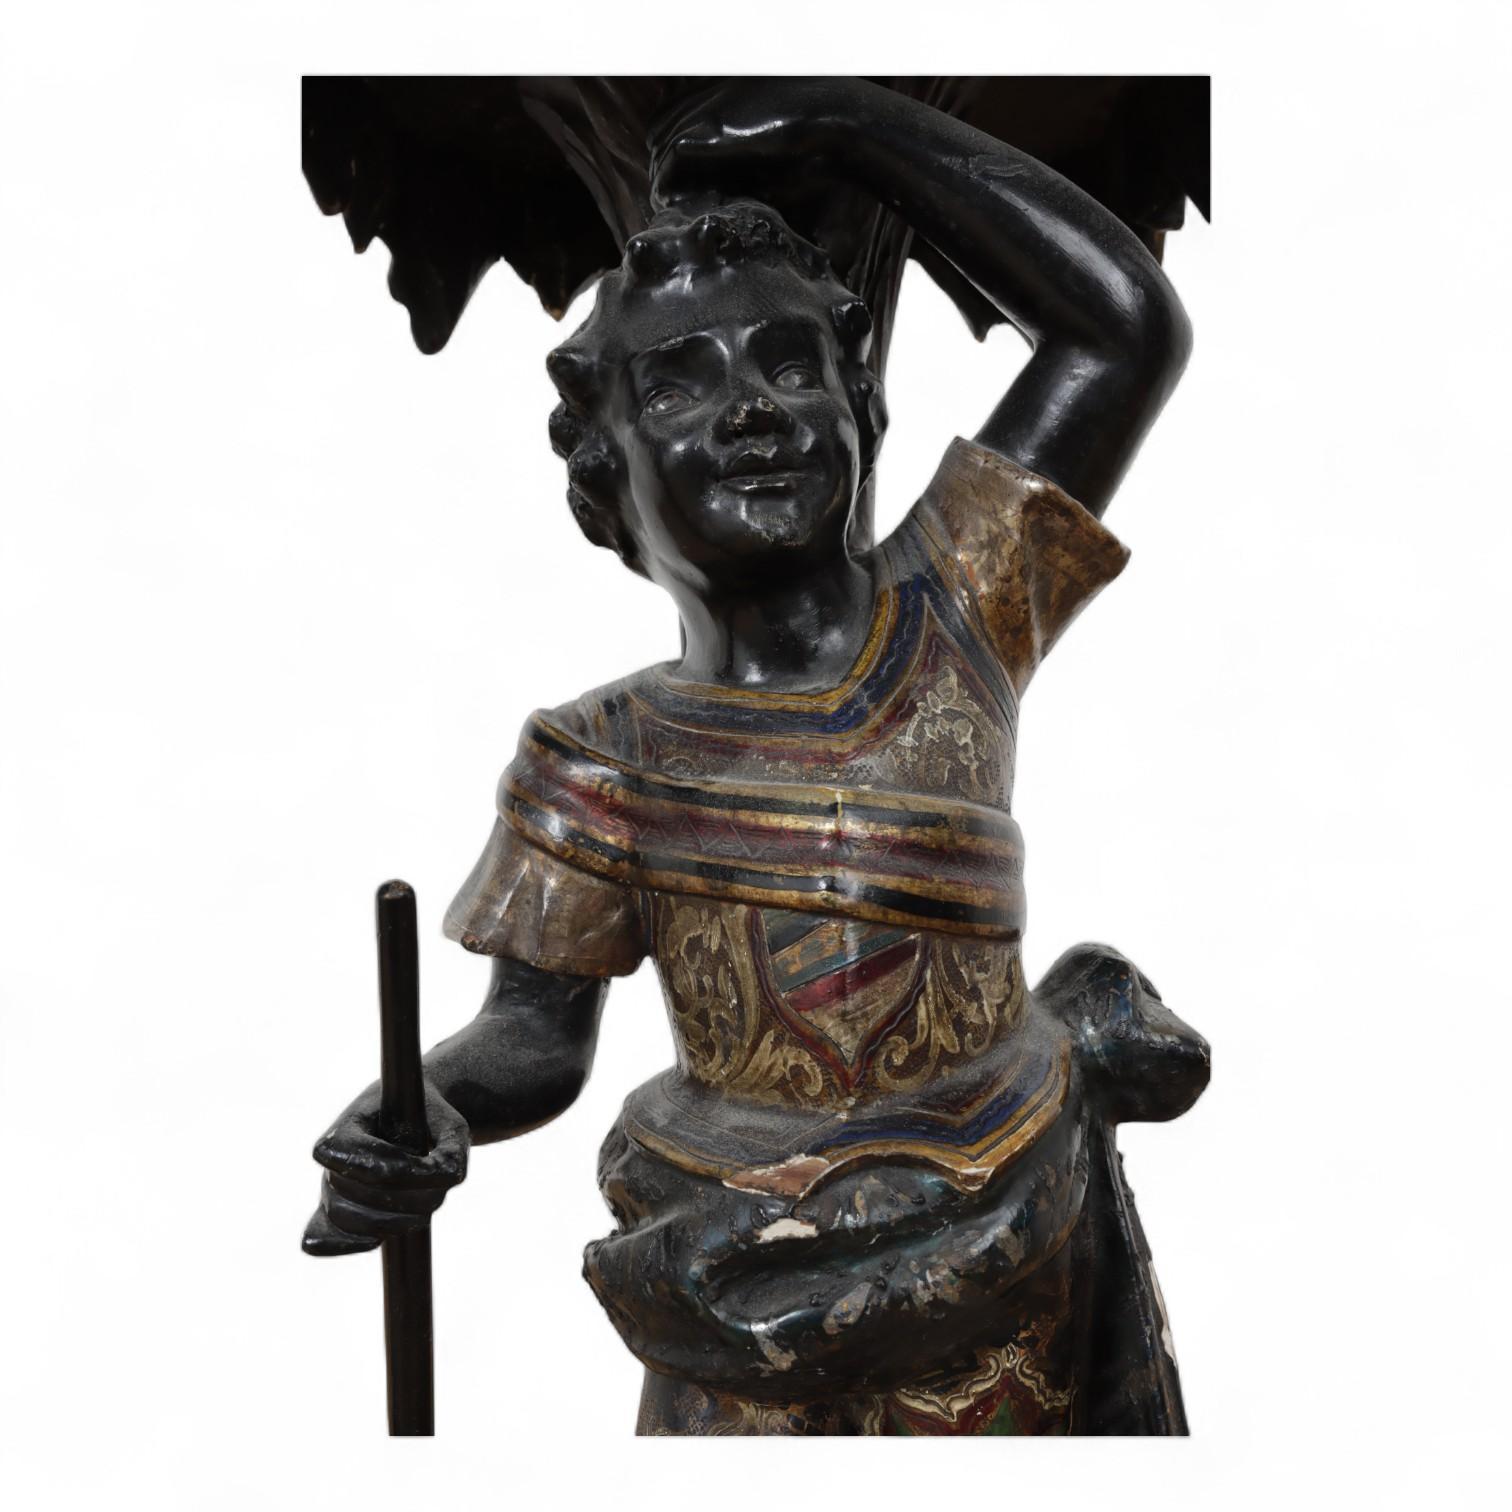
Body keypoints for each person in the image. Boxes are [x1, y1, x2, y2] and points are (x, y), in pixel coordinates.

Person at [304, 78, 1209, 1435]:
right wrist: (421, 1106)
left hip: (1018, 1278)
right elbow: (533, 1040)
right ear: (604, 476)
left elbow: (1123, 328)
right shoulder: (600, 758)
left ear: (862, 409)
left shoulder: (960, 611)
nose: (752, 412)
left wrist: (850, 128)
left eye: (791, 366)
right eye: (680, 384)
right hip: (739, 1297)